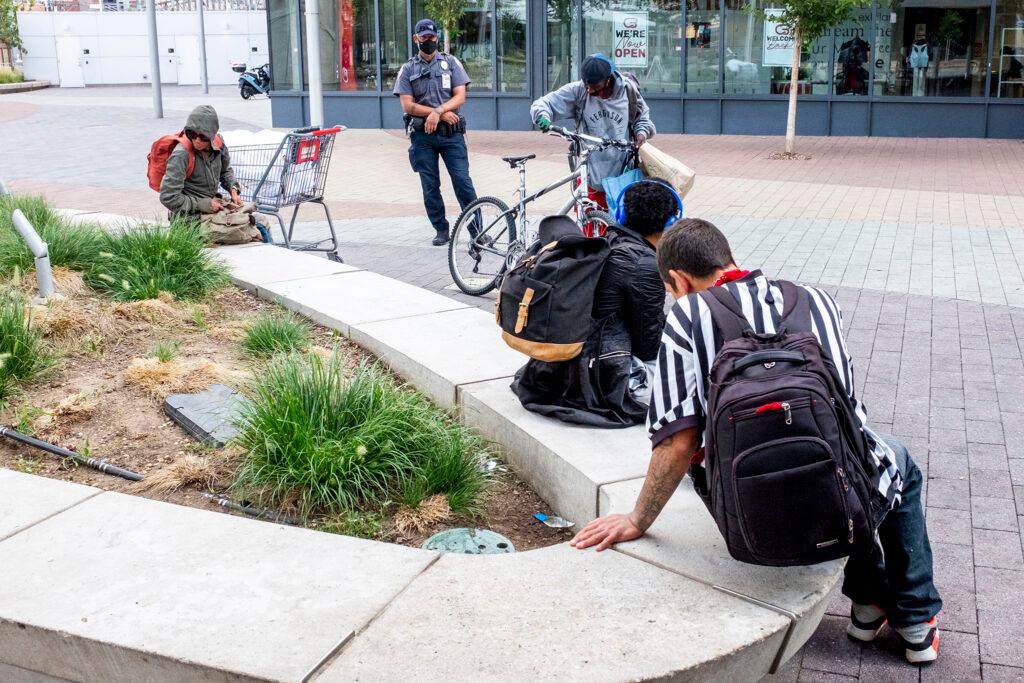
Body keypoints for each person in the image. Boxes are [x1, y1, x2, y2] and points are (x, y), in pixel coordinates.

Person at [571, 219, 942, 665]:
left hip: (745, 509)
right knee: (888, 458)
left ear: (678, 279)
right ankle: (913, 622)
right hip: (835, 486)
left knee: (857, 456)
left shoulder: (686, 315)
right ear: (728, 258)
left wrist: (638, 519)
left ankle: (869, 600)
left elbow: (677, 441)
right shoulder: (816, 300)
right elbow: (846, 407)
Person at [509, 180, 680, 427]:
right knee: (690, 377)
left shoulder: (607, 240)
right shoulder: (644, 264)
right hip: (600, 378)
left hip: (560, 369)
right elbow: (648, 347)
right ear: (670, 224)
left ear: (620, 213)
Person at [530, 53, 656, 210]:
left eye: (596, 89)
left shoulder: (628, 91)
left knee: (621, 225)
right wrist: (542, 116)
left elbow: (642, 118)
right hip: (590, 170)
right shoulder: (579, 92)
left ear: (608, 80)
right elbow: (544, 103)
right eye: (587, 86)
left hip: (622, 171)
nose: (590, 92)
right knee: (590, 226)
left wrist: (641, 132)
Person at [394, 19, 479, 246]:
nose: (428, 41)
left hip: (452, 134)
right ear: (416, 39)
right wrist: (437, 113)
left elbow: (460, 96)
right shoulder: (408, 69)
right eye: (424, 38)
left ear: (437, 37)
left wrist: (438, 111)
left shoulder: (451, 63)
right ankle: (441, 229)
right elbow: (408, 106)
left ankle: (477, 230)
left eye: (432, 37)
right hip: (423, 136)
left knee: (463, 181)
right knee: (430, 186)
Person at [158, 105, 266, 243]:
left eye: (203, 136)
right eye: (192, 134)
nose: (197, 140)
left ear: (212, 135)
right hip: (190, 220)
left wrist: (233, 188)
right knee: (249, 228)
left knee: (260, 221)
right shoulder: (181, 155)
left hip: (214, 208)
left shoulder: (219, 144)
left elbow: (225, 171)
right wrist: (204, 204)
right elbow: (168, 197)